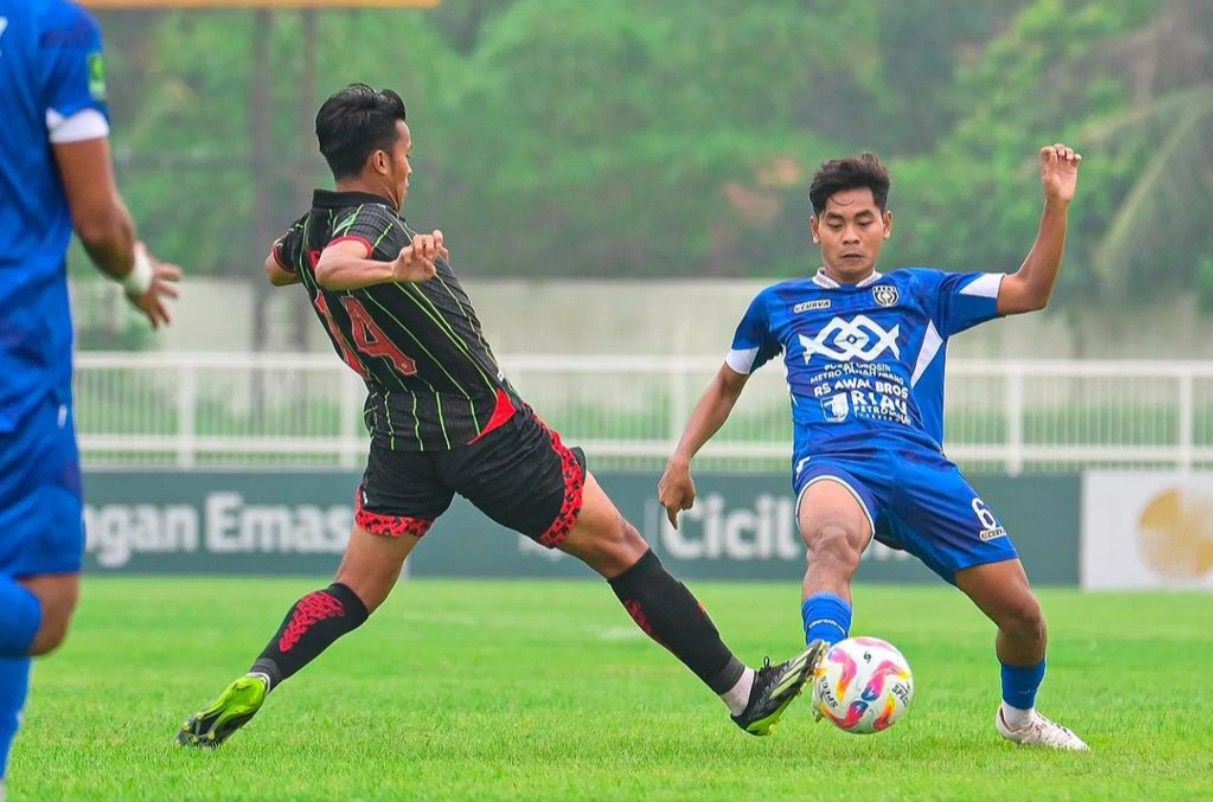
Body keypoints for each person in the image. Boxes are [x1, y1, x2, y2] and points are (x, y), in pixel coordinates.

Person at [176, 84, 820, 748]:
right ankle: (746, 694)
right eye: (406, 154)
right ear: (378, 161)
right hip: (486, 430)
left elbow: (280, 266)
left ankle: (264, 672)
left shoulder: (309, 229)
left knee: (354, 590)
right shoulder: (368, 226)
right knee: (622, 551)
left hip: (402, 437)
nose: (410, 167)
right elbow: (341, 264)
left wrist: (334, 268)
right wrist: (392, 270)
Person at [658, 146, 1089, 750]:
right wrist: (681, 458)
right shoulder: (777, 306)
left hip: (922, 471)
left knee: (1023, 617)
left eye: (863, 222)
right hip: (836, 464)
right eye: (835, 224)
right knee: (831, 543)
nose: (850, 236)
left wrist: (1055, 205)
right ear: (815, 231)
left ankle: (1018, 721)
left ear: (886, 225)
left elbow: (1030, 289)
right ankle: (829, 665)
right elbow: (727, 384)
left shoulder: (926, 293)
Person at [0, 0, 181, 795]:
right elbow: (99, 221)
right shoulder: (55, 30)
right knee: (44, 600)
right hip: (13, 349)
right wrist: (137, 272)